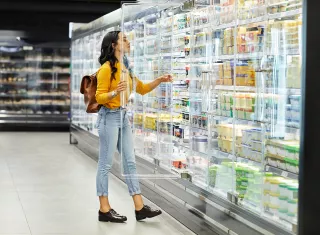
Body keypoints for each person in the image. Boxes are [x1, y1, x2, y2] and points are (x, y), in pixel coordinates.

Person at [95, 31, 173, 223]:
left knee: (130, 162)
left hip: (122, 117)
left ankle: (139, 207)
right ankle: (104, 209)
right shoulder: (106, 69)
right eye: (124, 39)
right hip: (109, 118)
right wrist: (115, 93)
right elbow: (99, 97)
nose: (128, 42)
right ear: (113, 45)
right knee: (105, 164)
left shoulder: (126, 68)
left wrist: (160, 80)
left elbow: (143, 89)